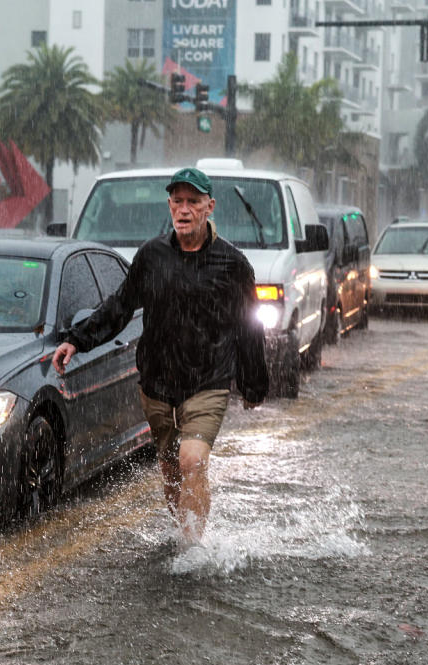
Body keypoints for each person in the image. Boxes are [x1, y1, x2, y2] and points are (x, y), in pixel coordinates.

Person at [52, 167, 269, 546]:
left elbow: (249, 327)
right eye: (178, 201)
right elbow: (120, 306)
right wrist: (77, 339)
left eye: (194, 202)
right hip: (157, 384)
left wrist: (253, 384)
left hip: (208, 382)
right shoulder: (152, 256)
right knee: (171, 468)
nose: (184, 210)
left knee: (192, 461)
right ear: (169, 205)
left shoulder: (233, 265)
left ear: (209, 207)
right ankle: (180, 530)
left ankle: (192, 548)